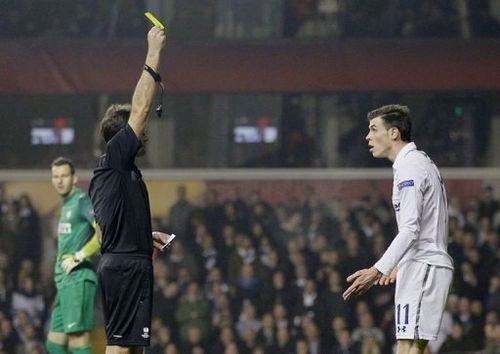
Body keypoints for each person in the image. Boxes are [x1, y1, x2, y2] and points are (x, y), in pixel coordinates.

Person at [342, 105, 454, 354]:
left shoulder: (411, 167)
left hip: (424, 266)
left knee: (407, 347)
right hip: (420, 265)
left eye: (373, 129)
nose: (367, 137)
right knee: (414, 348)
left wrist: (376, 270)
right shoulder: (418, 162)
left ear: (393, 133)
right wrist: (399, 264)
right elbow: (425, 224)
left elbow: (411, 228)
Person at [89, 25, 170, 354]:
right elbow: (140, 109)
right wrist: (153, 52)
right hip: (124, 267)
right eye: (139, 129)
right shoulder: (115, 159)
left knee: (133, 349)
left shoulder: (119, 172)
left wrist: (142, 238)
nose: (144, 131)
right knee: (121, 349)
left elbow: (104, 226)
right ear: (122, 136)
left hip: (129, 262)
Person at [47, 157, 101, 354]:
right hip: (65, 282)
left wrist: (80, 255)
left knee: (78, 341)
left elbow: (102, 232)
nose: (59, 180)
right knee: (54, 345)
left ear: (74, 179)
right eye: (55, 176)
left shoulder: (81, 201)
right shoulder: (67, 204)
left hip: (78, 279)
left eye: (64, 176)